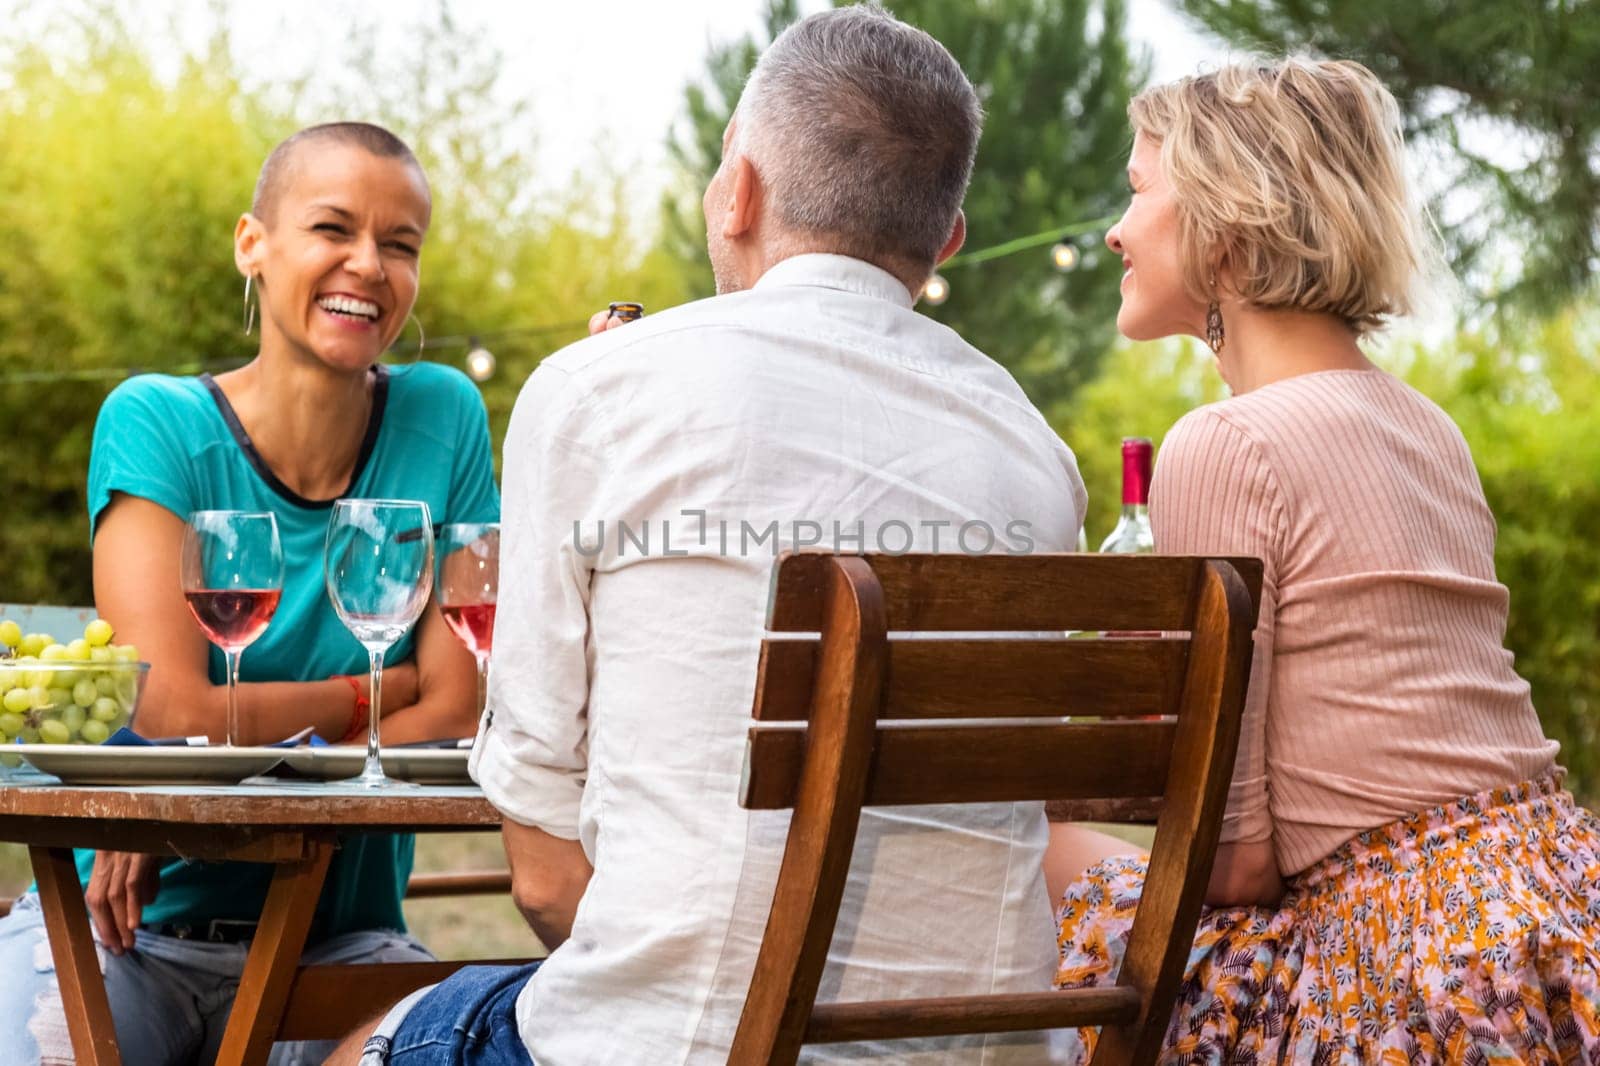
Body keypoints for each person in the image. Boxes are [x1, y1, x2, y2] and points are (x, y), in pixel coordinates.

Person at [330, 8, 1086, 1066]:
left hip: (684, 1045)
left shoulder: (602, 390)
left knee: (376, 1033)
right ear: (945, 240)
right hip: (974, 1051)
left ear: (737, 191)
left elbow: (545, 881)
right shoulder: (1035, 451)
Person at [1046, 58, 1600, 1061]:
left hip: (1401, 970)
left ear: (1223, 220)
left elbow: (1243, 863)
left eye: (1136, 192)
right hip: (1551, 913)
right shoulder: (1425, 425)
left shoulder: (1224, 442)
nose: (1117, 233)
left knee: (1028, 851)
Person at [0, 122, 498, 1066]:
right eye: (332, 229)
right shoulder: (156, 423)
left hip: (337, 936)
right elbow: (172, 703)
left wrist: (211, 788)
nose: (369, 265)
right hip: (125, 935)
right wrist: (374, 695)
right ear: (252, 245)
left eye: (400, 245)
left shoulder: (444, 416)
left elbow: (458, 703)